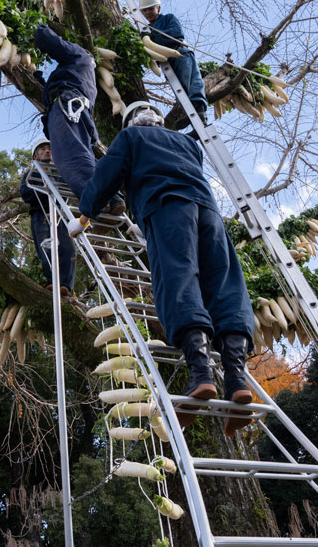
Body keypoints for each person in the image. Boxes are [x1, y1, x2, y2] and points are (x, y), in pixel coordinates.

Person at [70, 101, 255, 435]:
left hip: (167, 209)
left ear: (132, 123)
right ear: (158, 119)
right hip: (208, 213)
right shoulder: (187, 143)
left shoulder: (131, 139)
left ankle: (200, 374)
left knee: (178, 279)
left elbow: (107, 174)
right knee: (224, 285)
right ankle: (238, 380)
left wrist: (86, 211)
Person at [33, 23, 124, 213]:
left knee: (70, 157)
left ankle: (97, 198)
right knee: (86, 157)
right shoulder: (85, 78)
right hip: (77, 112)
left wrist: (36, 26)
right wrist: (41, 81)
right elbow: (58, 88)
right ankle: (113, 198)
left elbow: (49, 41)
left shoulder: (79, 54)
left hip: (68, 109)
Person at [139, 0, 208, 125]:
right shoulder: (145, 29)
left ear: (158, 8)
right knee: (180, 92)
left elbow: (176, 33)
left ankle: (200, 111)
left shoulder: (168, 19)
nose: (148, 13)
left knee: (191, 82)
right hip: (167, 64)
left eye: (151, 9)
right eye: (145, 10)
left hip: (180, 54)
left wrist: (153, 37)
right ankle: (196, 123)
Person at [21, 138, 77, 296]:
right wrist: (44, 187)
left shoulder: (61, 172)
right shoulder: (30, 174)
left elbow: (70, 189)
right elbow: (26, 194)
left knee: (67, 248)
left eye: (50, 148)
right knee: (46, 248)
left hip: (61, 215)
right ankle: (52, 281)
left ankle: (65, 285)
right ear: (35, 156)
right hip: (40, 213)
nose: (47, 151)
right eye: (42, 149)